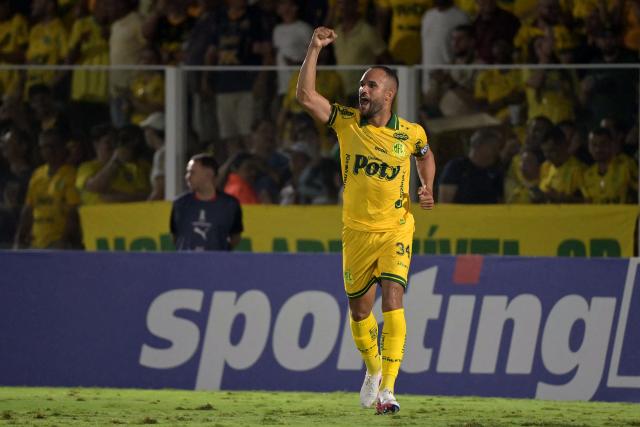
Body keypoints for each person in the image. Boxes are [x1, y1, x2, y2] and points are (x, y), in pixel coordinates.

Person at [296, 27, 435, 414]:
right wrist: (314, 47)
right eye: (361, 85)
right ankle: (373, 371)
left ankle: (388, 390)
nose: (363, 90)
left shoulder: (410, 133)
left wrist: (427, 186)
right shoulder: (346, 122)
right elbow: (305, 96)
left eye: (370, 86)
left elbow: (425, 154)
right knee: (360, 311)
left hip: (396, 228)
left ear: (388, 94)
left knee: (394, 300)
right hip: (356, 232)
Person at [14, 129, 81, 249]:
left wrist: (63, 240)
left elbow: (73, 212)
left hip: (59, 243)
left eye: (53, 146)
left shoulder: (71, 174)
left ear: (62, 147)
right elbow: (28, 209)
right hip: (36, 242)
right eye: (44, 147)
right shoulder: (37, 174)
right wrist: (19, 237)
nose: (49, 151)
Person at [170, 153, 243, 251]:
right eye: (187, 172)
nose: (187, 177)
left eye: (192, 172)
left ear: (208, 174)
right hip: (186, 264)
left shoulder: (230, 204)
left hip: (216, 264)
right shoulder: (180, 204)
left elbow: (235, 237)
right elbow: (175, 236)